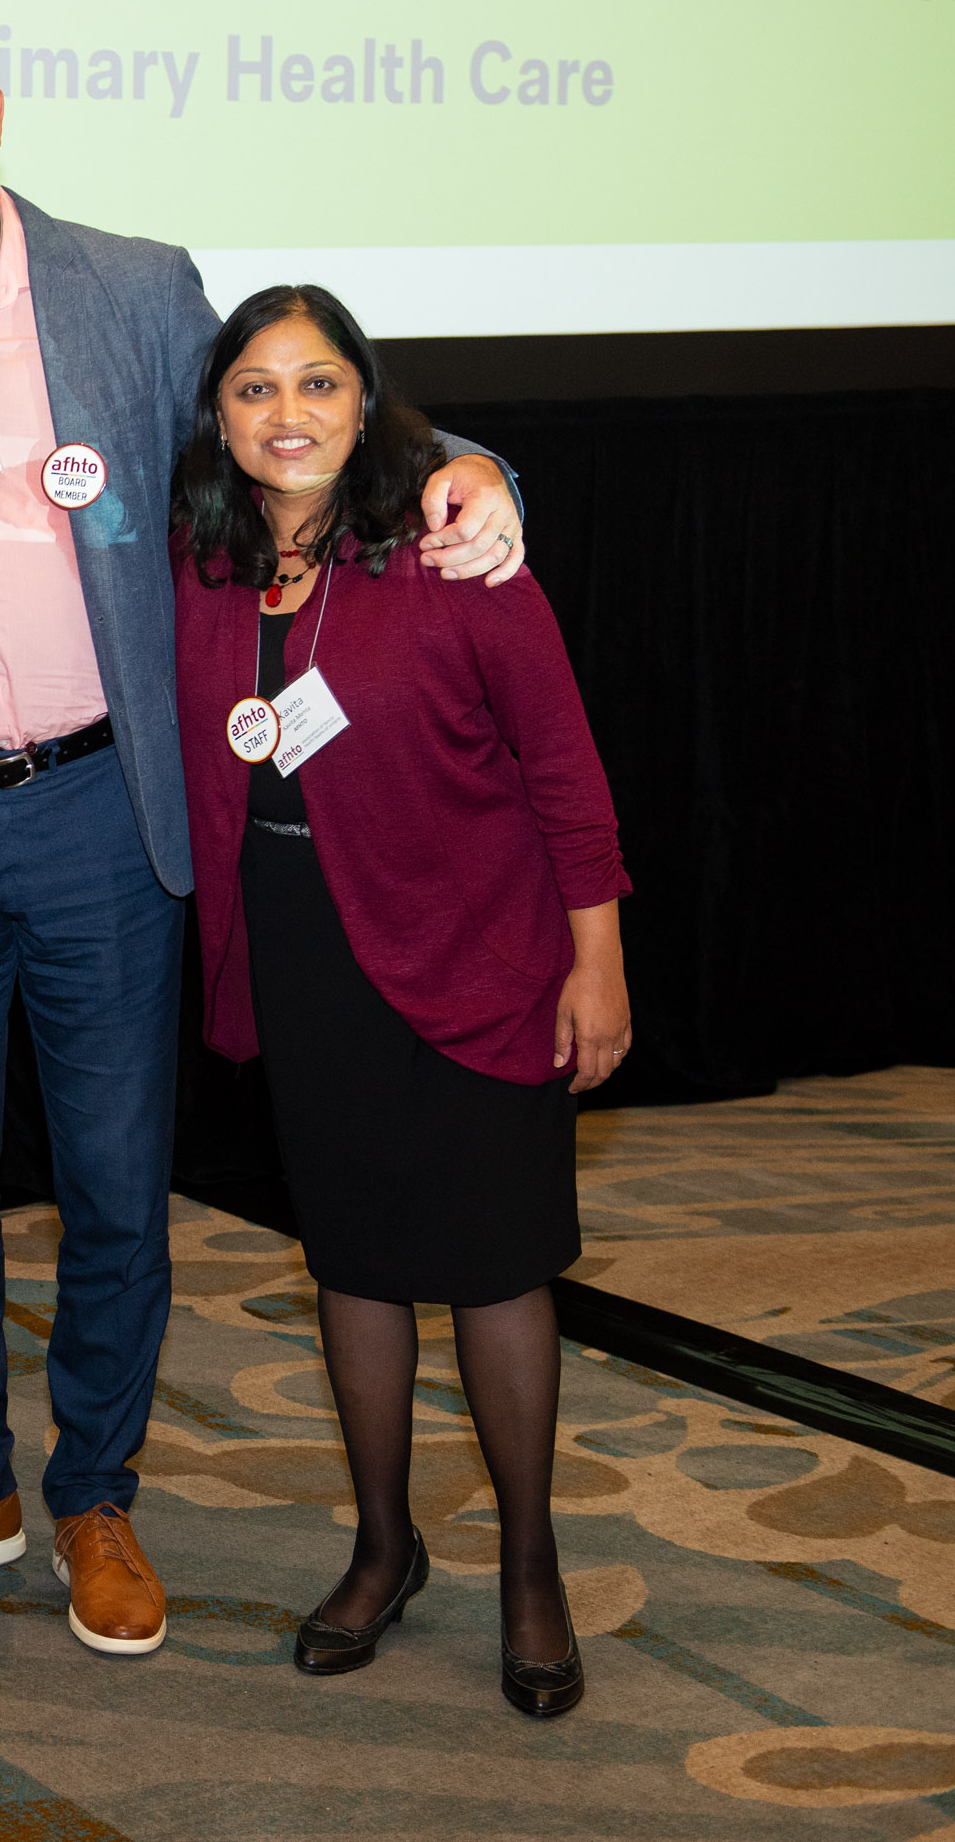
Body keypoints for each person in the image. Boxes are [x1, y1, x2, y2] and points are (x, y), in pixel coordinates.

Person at [0, 4, 533, 1659]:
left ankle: (95, 1492)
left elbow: (297, 424)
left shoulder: (128, 290)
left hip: (98, 808)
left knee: (118, 1177)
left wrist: (471, 469)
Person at [173, 285, 629, 1717]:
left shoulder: (453, 553)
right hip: (306, 957)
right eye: (255, 389)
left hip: (477, 949)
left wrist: (596, 956)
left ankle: (533, 1568)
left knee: (497, 1268)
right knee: (354, 1261)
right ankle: (383, 1549)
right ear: (220, 417)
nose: (287, 415)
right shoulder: (200, 567)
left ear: (369, 404)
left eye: (318, 384)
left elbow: (563, 763)